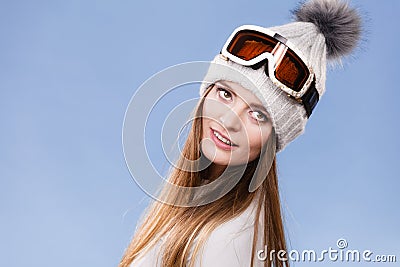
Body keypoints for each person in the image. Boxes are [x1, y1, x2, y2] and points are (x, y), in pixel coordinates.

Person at [119, 0, 362, 266]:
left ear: (275, 139)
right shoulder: (189, 206)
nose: (229, 120)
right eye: (226, 94)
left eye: (257, 115)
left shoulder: (231, 240)